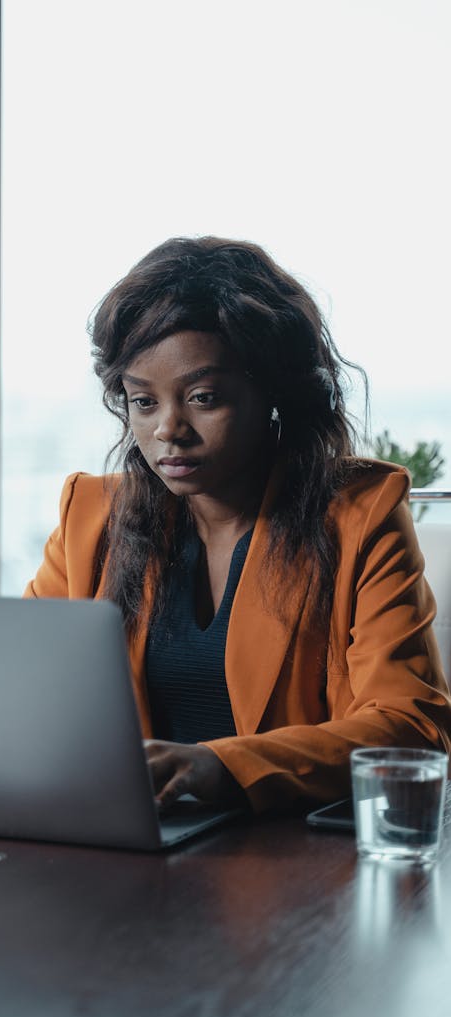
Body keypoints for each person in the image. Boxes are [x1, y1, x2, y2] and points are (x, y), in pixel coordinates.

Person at [25, 236, 451, 814]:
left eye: (203, 398)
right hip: (131, 849)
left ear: (272, 393)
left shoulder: (360, 514)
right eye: (143, 402)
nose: (168, 430)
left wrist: (222, 766)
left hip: (289, 863)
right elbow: (22, 695)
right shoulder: (91, 518)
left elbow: (411, 727)